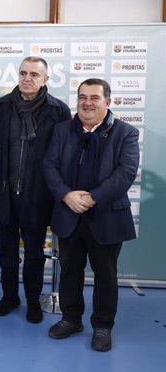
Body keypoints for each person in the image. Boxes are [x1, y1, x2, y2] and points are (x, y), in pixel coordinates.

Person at [43, 78, 139, 352]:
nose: (87, 102)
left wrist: (93, 197)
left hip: (106, 216)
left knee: (105, 275)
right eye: (83, 96)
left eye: (94, 97)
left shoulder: (126, 133)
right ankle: (71, 319)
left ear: (108, 102)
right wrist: (66, 195)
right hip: (68, 212)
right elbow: (49, 165)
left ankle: (102, 325)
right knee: (70, 271)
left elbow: (125, 173)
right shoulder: (62, 131)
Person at [0, 56, 71, 323]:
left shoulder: (58, 110)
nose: (27, 78)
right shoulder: (0, 107)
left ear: (45, 79)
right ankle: (9, 296)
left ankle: (33, 300)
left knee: (34, 252)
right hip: (5, 193)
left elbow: (63, 156)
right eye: (23, 73)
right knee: (6, 251)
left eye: (34, 74)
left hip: (38, 196)